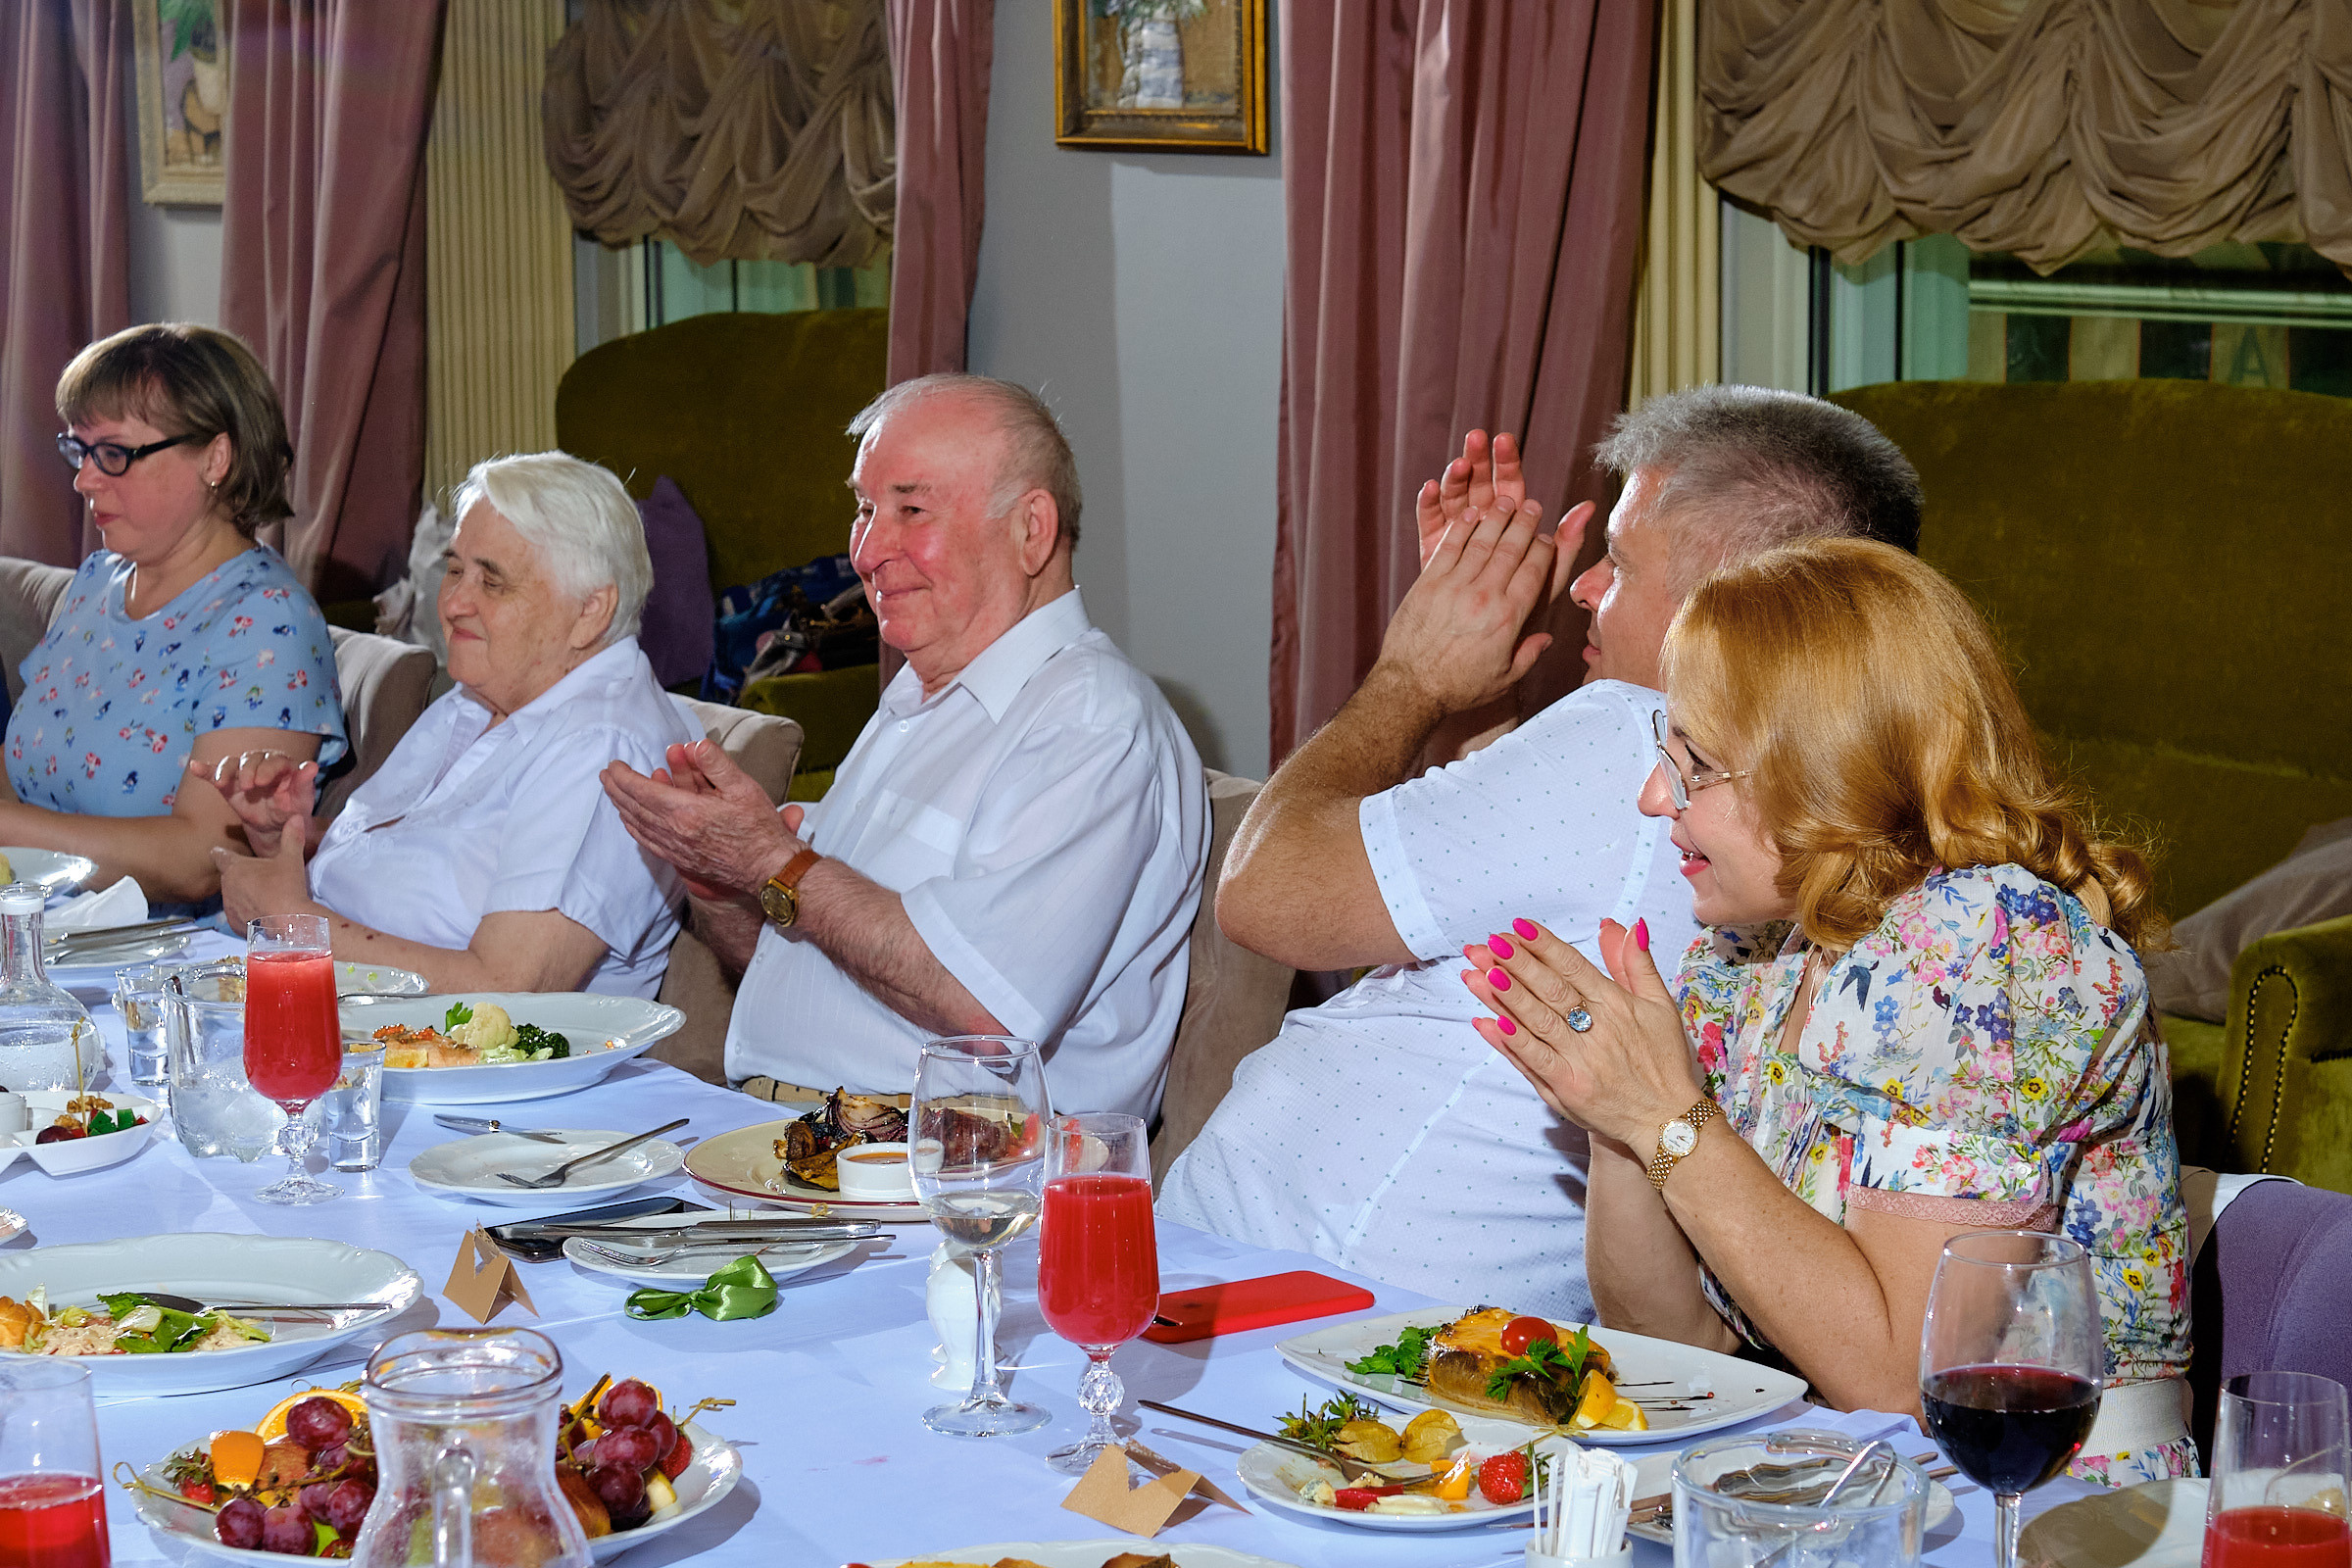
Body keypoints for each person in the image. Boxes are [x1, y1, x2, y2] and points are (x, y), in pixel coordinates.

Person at [1158, 386, 1925, 1318]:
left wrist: (1414, 675)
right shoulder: (1767, 795)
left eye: (1619, 563)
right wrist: (1478, 710)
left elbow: (1263, 896)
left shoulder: (1630, 737)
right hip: (1325, 1283)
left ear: (1726, 595)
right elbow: (1522, 875)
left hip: (1297, 1293)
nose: (1583, 589)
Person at [1468, 538, 2191, 1482]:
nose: (1655, 798)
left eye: (1696, 763)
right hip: (1826, 1474)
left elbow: (1904, 1380)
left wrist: (1666, 1116)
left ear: (1825, 769)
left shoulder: (1986, 945)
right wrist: (1615, 1110)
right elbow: (1671, 1339)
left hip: (2044, 1504)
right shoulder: (1764, 950)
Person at [602, 373, 1206, 1119]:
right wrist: (719, 874)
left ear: (1031, 531)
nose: (865, 550)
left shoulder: (1091, 721)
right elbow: (801, 958)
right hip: (799, 1145)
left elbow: (985, 1004)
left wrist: (773, 860)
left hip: (956, 1186)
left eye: (911, 509)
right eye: (864, 507)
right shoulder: (918, 702)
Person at [211, 452, 698, 999]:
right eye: (457, 569)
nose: (453, 603)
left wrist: (294, 924)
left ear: (590, 610)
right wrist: (293, 840)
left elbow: (512, 989)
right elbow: (442, 859)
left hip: (476, 1069)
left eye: (493, 583)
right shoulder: (482, 695)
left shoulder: (604, 750)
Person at [4, 323, 346, 905]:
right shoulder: (95, 584)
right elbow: (20, 777)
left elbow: (203, 860)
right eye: (78, 450)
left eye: (113, 454)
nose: (83, 479)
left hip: (170, 970)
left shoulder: (269, 621)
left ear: (215, 457)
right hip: (44, 935)